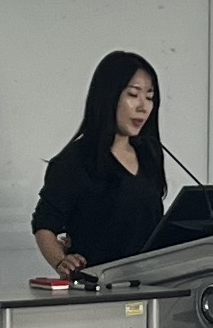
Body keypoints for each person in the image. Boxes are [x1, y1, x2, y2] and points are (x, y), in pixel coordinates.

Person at [29, 49, 167, 278]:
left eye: (150, 97)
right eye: (133, 95)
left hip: (152, 282)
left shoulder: (150, 154)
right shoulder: (75, 160)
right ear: (109, 96)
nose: (143, 107)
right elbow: (44, 225)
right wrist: (61, 261)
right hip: (98, 286)